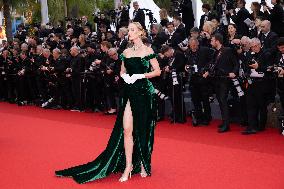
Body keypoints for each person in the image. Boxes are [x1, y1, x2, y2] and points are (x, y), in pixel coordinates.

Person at [55, 22, 161, 183]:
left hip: (144, 93)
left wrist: (140, 76)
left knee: (142, 129)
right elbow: (122, 70)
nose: (129, 32)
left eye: (132, 30)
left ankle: (144, 164)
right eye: (129, 30)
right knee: (126, 129)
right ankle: (128, 166)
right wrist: (125, 76)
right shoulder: (125, 51)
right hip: (129, 92)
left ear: (140, 32)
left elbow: (157, 71)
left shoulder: (148, 51)